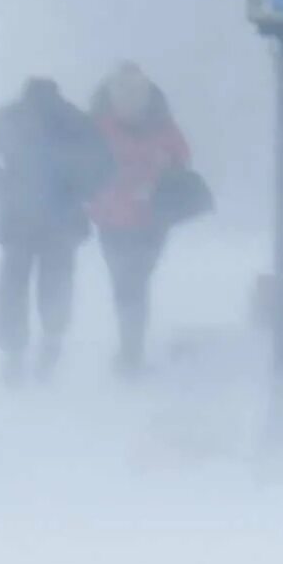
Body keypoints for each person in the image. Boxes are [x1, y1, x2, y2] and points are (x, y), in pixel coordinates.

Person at [0, 78, 111, 380]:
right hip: (60, 218)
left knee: (14, 287)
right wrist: (81, 192)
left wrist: (2, 185)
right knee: (55, 283)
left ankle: (15, 353)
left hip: (19, 217)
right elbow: (104, 162)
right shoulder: (74, 119)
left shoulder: (12, 115)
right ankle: (50, 342)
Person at [89, 62, 192, 373]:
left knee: (132, 282)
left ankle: (130, 350)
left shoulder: (161, 127)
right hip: (113, 218)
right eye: (123, 93)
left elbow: (181, 160)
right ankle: (130, 349)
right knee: (128, 283)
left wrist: (160, 177)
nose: (129, 101)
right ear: (112, 96)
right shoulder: (98, 127)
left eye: (135, 94)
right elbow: (84, 166)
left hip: (149, 219)